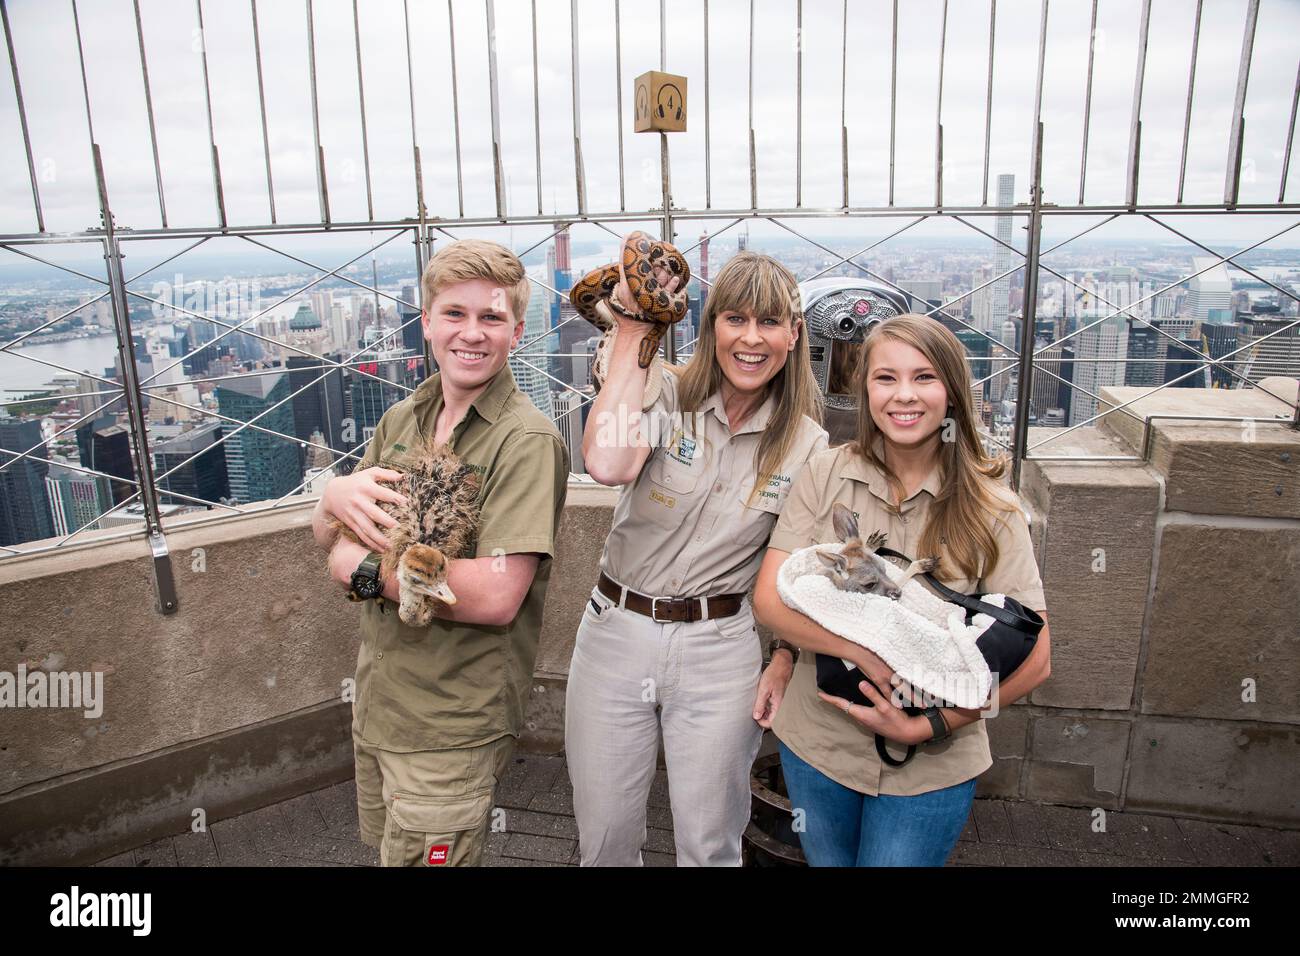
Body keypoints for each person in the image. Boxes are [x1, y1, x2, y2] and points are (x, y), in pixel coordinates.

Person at [752, 313, 1052, 867]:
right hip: (817, 742)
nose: (904, 396)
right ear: (864, 390)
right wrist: (860, 650)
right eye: (885, 378)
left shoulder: (994, 509)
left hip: (934, 763)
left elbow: (1036, 664)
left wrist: (930, 723)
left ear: (953, 393)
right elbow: (770, 600)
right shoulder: (824, 473)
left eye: (924, 377)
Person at [312, 239, 569, 867]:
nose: (472, 334)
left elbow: (494, 594)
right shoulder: (403, 419)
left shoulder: (526, 440)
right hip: (383, 701)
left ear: (516, 331)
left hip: (450, 723)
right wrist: (329, 500)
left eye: (492, 317)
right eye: (454, 313)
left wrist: (364, 570)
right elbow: (336, 539)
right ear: (426, 321)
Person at [567, 249, 828, 866]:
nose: (751, 338)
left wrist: (786, 656)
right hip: (616, 633)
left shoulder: (808, 445)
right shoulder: (664, 390)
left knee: (711, 846)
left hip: (721, 648)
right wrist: (634, 325)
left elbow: (802, 575)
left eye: (769, 323)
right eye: (735, 319)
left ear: (794, 335)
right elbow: (607, 463)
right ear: (712, 327)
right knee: (604, 840)